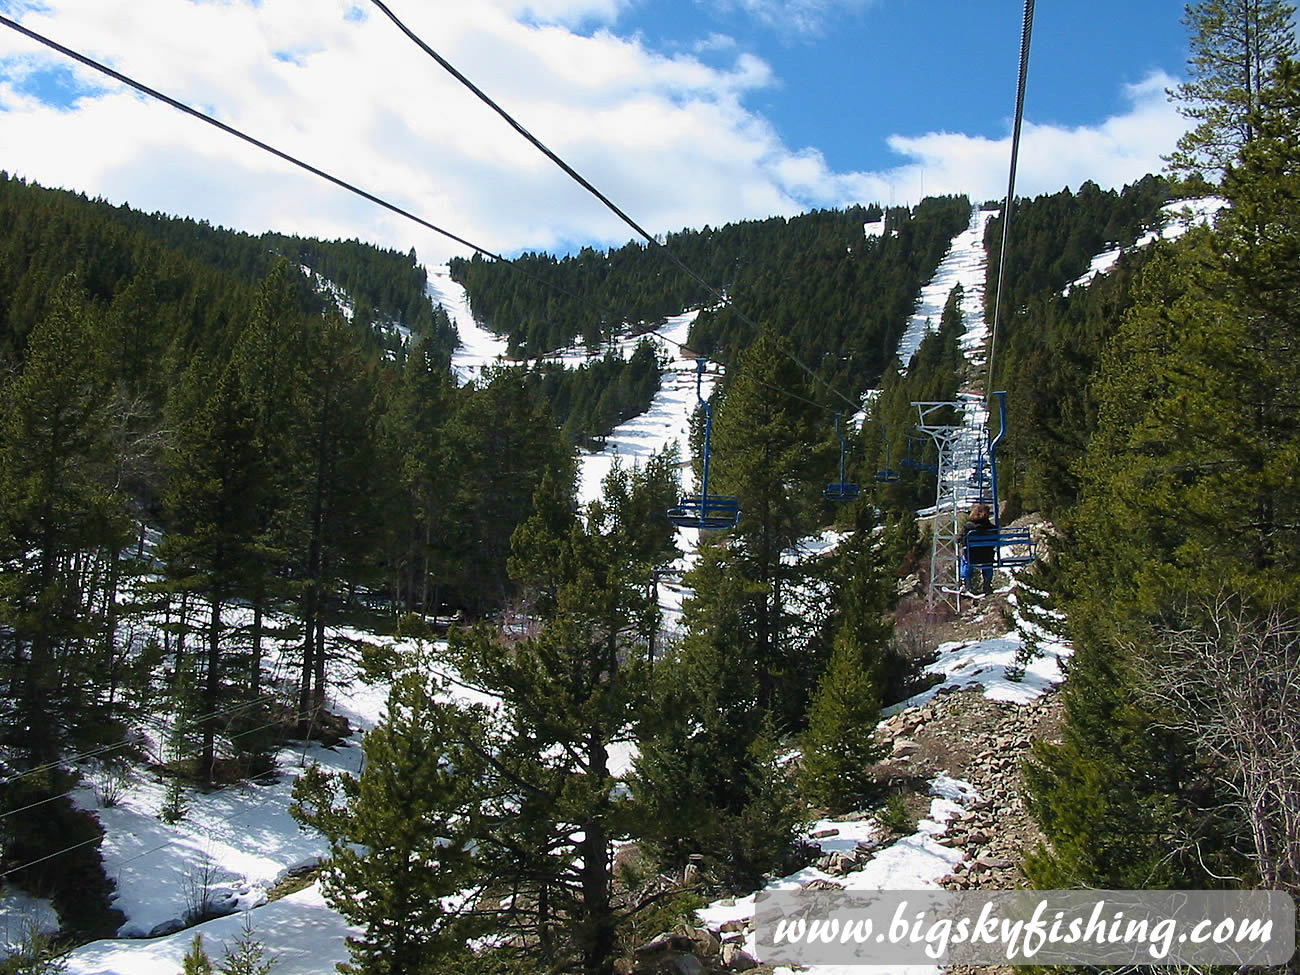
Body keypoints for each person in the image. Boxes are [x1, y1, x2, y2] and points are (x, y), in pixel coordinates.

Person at [961, 503, 996, 595]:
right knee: (988, 563)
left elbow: (963, 542)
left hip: (972, 558)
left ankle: (967, 584)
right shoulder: (992, 528)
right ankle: (987, 584)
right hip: (987, 557)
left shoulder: (969, 528)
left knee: (965, 559)